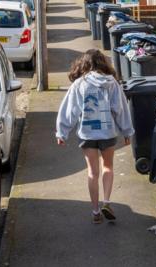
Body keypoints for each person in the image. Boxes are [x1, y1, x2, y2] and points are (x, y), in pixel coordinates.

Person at [55, 49, 134, 224]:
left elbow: (70, 109)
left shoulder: (79, 84)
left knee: (92, 172)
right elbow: (120, 109)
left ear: (84, 64)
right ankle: (106, 201)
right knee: (108, 167)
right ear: (103, 63)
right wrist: (127, 131)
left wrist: (62, 132)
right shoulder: (112, 83)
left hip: (87, 133)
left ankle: (96, 211)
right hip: (107, 133)